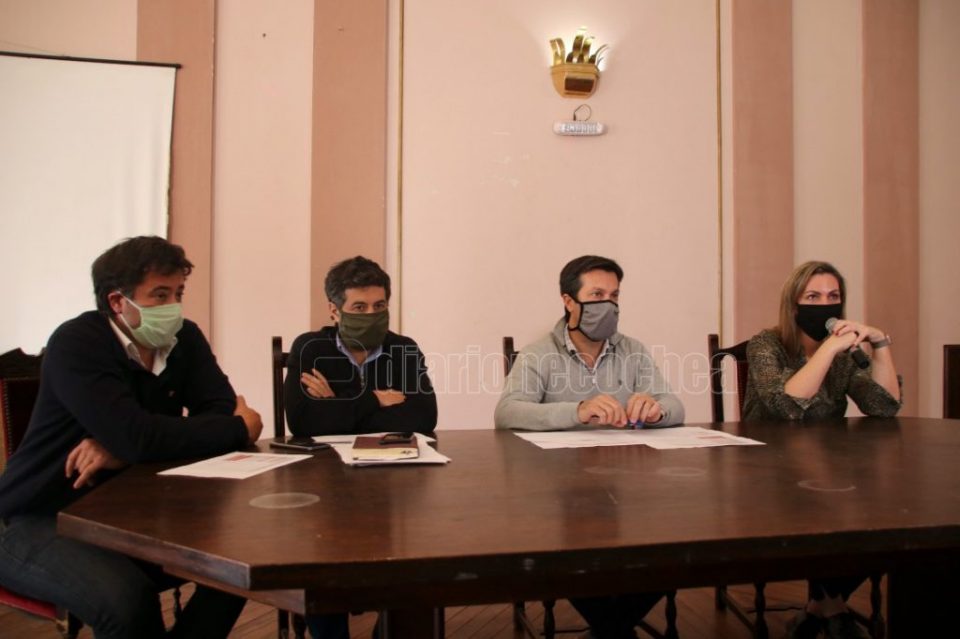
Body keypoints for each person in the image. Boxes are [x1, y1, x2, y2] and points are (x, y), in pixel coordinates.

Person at [0, 236, 263, 638]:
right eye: (160, 295)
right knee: (127, 603)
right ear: (117, 302)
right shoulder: (77, 343)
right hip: (38, 516)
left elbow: (208, 414)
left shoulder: (185, 338)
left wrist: (124, 449)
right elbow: (155, 435)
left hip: (131, 512)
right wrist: (239, 426)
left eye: (178, 293)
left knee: (238, 564)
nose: (173, 306)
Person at [494, 255, 683, 639]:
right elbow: (507, 412)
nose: (608, 305)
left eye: (614, 296)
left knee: (674, 543)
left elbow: (674, 404)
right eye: (597, 295)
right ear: (569, 301)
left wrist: (656, 410)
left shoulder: (632, 350)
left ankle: (610, 629)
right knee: (567, 550)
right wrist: (577, 411)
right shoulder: (538, 353)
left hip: (627, 487)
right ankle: (616, 629)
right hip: (561, 491)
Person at [742, 260, 901, 639]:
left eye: (833, 297)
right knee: (824, 507)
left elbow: (884, 406)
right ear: (793, 304)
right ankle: (832, 609)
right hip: (766, 468)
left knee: (880, 510)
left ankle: (821, 607)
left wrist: (879, 344)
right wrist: (829, 349)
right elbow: (786, 406)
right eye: (813, 297)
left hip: (829, 464)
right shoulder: (766, 345)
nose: (825, 305)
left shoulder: (845, 356)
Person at [284, 255, 437, 639]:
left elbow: (423, 417)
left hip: (393, 486)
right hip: (324, 487)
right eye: (359, 307)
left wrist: (336, 403)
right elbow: (302, 422)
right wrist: (375, 400)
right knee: (319, 556)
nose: (371, 315)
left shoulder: (404, 349)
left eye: (379, 306)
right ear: (334, 310)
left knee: (415, 554)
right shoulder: (310, 347)